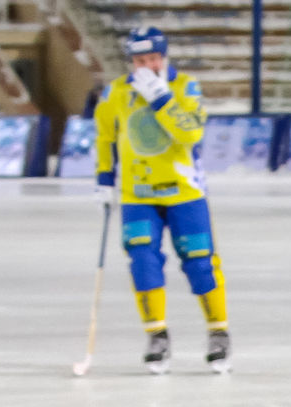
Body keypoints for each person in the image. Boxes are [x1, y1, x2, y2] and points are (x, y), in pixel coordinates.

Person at [94, 25, 231, 373]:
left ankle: (218, 332)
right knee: (142, 259)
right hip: (137, 195)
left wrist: (162, 100)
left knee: (199, 260)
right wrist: (104, 179)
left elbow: (191, 133)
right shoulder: (116, 92)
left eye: (154, 58)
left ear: (164, 57)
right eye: (140, 60)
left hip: (185, 192)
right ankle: (156, 335)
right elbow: (105, 138)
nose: (148, 66)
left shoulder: (185, 87)